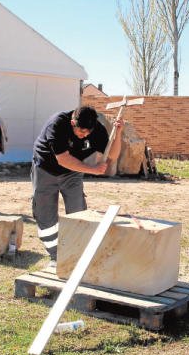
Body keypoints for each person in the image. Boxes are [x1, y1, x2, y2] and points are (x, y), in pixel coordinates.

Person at [32, 106, 123, 264]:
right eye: (81, 131)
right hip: (46, 169)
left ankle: (77, 252)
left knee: (78, 211)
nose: (84, 135)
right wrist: (92, 169)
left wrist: (118, 133)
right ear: (73, 122)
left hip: (72, 173)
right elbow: (63, 159)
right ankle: (55, 256)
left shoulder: (96, 129)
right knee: (45, 215)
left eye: (88, 132)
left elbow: (111, 156)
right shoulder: (57, 125)